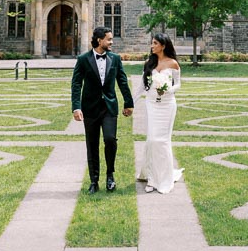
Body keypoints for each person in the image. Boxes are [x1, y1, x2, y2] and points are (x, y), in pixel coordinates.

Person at [71, 26, 133, 193]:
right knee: (92, 145)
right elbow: (76, 83)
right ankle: (94, 181)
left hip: (109, 107)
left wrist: (129, 103)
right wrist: (76, 107)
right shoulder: (83, 59)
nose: (112, 42)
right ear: (99, 40)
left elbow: (122, 81)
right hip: (90, 108)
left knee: (110, 139)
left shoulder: (115, 58)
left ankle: (110, 175)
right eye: (109, 39)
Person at [137, 33, 183, 194]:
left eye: (155, 43)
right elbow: (142, 86)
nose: (152, 46)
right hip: (152, 105)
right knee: (151, 140)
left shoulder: (173, 63)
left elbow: (178, 84)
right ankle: (151, 178)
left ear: (163, 46)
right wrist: (131, 103)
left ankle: (163, 179)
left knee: (162, 142)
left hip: (167, 105)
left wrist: (169, 89)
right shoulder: (149, 63)